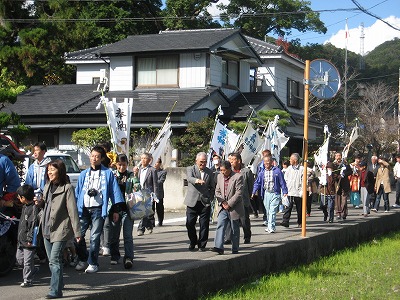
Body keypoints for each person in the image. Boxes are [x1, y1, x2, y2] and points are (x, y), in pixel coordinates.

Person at [74, 146, 124, 273]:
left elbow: (114, 192)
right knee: (78, 235)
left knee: (95, 237)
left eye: (97, 156)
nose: (93, 159)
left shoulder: (108, 173)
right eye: (92, 156)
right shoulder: (83, 174)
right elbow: (77, 192)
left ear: (102, 158)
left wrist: (116, 210)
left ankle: (93, 263)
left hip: (98, 209)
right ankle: (83, 258)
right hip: (83, 208)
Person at [41, 160, 81, 299]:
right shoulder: (47, 186)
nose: (49, 172)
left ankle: (55, 290)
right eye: (48, 170)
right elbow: (45, 205)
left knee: (54, 260)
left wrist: (77, 232)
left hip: (60, 229)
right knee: (53, 261)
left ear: (60, 171)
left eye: (52, 169)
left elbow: (72, 211)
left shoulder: (67, 188)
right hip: (46, 227)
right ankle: (60, 284)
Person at [184, 152, 215, 251]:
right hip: (192, 201)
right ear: (196, 161)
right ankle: (193, 241)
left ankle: (202, 244)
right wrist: (197, 180)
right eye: (201, 162)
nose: (203, 164)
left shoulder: (209, 172)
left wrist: (210, 197)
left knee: (204, 225)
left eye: (205, 162)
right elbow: (189, 178)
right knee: (189, 223)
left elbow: (212, 187)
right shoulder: (190, 169)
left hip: (204, 202)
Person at [212, 160, 244, 254]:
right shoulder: (219, 176)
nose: (222, 172)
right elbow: (217, 191)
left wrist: (229, 204)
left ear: (229, 169)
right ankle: (218, 247)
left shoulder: (238, 177)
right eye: (221, 170)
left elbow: (239, 193)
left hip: (234, 207)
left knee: (234, 228)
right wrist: (222, 202)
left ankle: (235, 248)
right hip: (223, 206)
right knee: (220, 225)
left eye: (224, 170)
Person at [109, 154, 135, 269]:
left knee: (128, 235)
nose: (121, 167)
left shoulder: (131, 175)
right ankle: (114, 256)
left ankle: (129, 257)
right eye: (119, 165)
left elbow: (137, 185)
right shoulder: (112, 175)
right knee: (114, 235)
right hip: (115, 209)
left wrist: (136, 186)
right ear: (116, 164)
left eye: (124, 165)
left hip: (128, 210)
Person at [252, 155, 287, 233]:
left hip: (275, 193)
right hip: (266, 193)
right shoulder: (262, 172)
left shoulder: (277, 171)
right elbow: (257, 183)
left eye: (268, 162)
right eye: (265, 162)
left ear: (272, 162)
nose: (266, 164)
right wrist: (253, 192)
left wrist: (285, 192)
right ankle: (270, 226)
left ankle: (271, 227)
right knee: (267, 210)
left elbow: (282, 182)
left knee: (272, 210)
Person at [225, 152, 253, 244]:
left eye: (233, 160)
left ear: (239, 161)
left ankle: (247, 236)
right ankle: (228, 237)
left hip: (243, 200)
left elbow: (250, 186)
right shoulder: (229, 171)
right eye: (230, 160)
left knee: (244, 220)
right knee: (229, 219)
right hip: (231, 199)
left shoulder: (246, 171)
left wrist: (248, 197)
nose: (231, 162)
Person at [16, 184, 40, 288]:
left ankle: (27, 280)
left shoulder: (33, 209)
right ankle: (33, 270)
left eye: (19, 196)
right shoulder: (24, 207)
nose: (18, 198)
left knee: (27, 262)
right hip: (21, 240)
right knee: (19, 260)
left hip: (28, 241)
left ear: (24, 198)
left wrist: (30, 239)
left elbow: (33, 225)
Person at [137, 152, 159, 236]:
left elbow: (155, 184)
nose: (143, 160)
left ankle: (140, 229)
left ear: (149, 160)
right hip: (140, 193)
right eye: (142, 158)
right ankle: (149, 225)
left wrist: (155, 196)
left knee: (144, 211)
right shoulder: (139, 169)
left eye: (145, 158)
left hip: (148, 193)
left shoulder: (152, 170)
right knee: (143, 211)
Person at [280, 153, 303, 228]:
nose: (290, 160)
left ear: (295, 160)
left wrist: (302, 190)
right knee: (288, 206)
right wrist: (285, 190)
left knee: (299, 208)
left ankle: (300, 222)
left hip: (298, 191)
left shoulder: (302, 169)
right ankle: (285, 221)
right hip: (290, 190)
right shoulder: (289, 169)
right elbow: (285, 179)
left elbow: (304, 180)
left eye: (291, 159)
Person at [333, 152, 352, 220]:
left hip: (344, 183)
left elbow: (350, 171)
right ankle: (338, 213)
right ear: (335, 157)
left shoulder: (345, 164)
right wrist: (337, 176)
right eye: (337, 156)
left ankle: (344, 213)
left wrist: (344, 174)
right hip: (337, 183)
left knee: (344, 199)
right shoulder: (333, 164)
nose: (338, 157)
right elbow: (332, 173)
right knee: (337, 198)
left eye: (339, 155)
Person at [154, 158, 167, 227]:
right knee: (151, 208)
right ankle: (151, 222)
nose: (155, 164)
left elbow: (161, 181)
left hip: (159, 192)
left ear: (159, 164)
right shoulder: (150, 171)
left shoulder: (163, 172)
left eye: (157, 163)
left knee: (159, 208)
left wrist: (153, 181)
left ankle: (160, 221)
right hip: (151, 192)